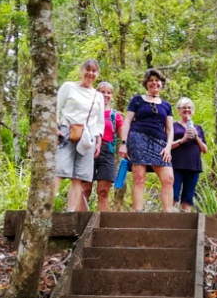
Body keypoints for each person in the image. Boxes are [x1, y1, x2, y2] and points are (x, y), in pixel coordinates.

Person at [119, 68, 175, 212]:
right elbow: (127, 122)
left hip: (160, 142)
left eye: (157, 80)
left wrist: (168, 147)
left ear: (161, 84)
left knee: (168, 178)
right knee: (139, 178)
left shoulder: (166, 105)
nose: (154, 83)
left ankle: (168, 216)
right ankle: (138, 214)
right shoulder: (137, 100)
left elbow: (169, 129)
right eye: (151, 80)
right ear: (146, 83)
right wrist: (124, 143)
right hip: (138, 138)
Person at [55, 59, 105, 211]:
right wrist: (54, 128)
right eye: (87, 70)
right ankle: (45, 210)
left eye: (94, 71)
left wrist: (98, 141)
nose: (90, 74)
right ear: (81, 70)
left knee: (79, 176)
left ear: (97, 74)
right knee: (59, 171)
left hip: (87, 137)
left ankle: (70, 213)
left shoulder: (98, 96)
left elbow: (99, 121)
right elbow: (56, 107)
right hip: (65, 132)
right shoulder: (69, 87)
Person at [82, 81, 124, 211]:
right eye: (102, 92)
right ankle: (80, 223)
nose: (105, 95)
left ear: (112, 95)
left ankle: (102, 225)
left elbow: (123, 136)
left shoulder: (115, 115)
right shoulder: (88, 112)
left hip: (107, 151)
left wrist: (126, 147)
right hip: (88, 149)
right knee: (85, 189)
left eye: (109, 92)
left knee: (103, 191)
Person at [170, 97, 208, 212]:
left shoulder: (198, 128)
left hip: (193, 166)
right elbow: (167, 146)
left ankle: (185, 220)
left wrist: (196, 137)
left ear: (193, 110)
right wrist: (183, 139)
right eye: (184, 108)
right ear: (179, 111)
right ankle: (168, 220)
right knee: (173, 194)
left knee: (188, 197)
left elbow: (205, 149)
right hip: (176, 165)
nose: (187, 110)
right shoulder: (173, 126)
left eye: (189, 107)